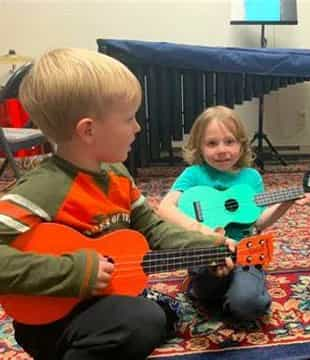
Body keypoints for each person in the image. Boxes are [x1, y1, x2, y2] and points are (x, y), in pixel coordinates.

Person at [0, 48, 234, 360]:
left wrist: (207, 244)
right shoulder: (44, 188)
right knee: (145, 320)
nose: (137, 127)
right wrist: (73, 272)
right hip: (52, 320)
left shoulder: (118, 176)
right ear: (88, 130)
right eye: (128, 118)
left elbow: (153, 230)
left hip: (105, 301)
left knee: (165, 313)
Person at [156, 105, 310, 321]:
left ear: (241, 144)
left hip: (244, 253)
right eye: (212, 143)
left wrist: (286, 202)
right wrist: (203, 230)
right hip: (207, 254)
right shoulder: (193, 175)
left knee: (250, 306)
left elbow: (258, 221)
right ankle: (211, 289)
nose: (222, 150)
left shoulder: (251, 178)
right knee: (205, 291)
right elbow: (165, 208)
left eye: (229, 141)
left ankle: (236, 290)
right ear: (199, 147)